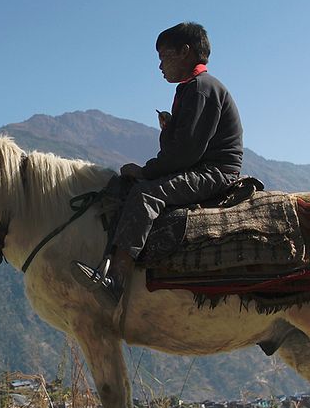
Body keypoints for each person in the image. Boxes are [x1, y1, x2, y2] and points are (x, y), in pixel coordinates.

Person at [73, 22, 243, 307]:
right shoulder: (193, 89)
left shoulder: (201, 89)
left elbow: (186, 153)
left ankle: (116, 280)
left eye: (165, 56)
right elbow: (183, 148)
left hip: (215, 172)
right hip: (202, 167)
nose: (161, 66)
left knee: (146, 193)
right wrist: (169, 130)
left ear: (185, 53)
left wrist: (146, 170)